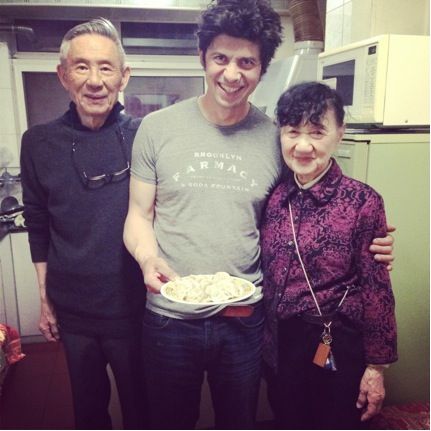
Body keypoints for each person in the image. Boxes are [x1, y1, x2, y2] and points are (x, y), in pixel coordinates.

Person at [123, 1, 394, 428]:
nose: (232, 74)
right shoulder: (155, 129)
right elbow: (138, 215)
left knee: (239, 422)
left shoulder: (275, 136)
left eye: (246, 62)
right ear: (202, 57)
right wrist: (146, 258)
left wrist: (369, 238)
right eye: (220, 58)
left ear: (262, 68)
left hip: (245, 319)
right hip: (170, 316)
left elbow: (310, 200)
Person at [20, 18, 146, 430]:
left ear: (123, 76)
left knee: (143, 410)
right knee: (88, 412)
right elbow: (37, 222)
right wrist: (44, 298)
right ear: (63, 75)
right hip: (73, 308)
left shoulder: (145, 137)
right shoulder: (38, 142)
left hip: (135, 306)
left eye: (106, 67)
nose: (95, 81)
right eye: (82, 67)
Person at [260, 82, 398, 430]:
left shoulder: (363, 202)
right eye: (293, 132)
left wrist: (376, 368)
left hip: (337, 342)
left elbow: (377, 288)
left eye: (317, 132)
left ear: (339, 134)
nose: (303, 146)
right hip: (281, 346)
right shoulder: (275, 198)